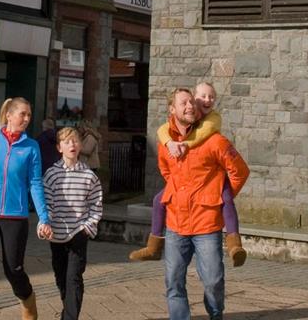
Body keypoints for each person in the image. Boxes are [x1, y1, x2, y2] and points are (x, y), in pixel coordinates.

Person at [129, 82, 246, 266]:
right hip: (180, 209)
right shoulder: (171, 134)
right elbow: (163, 143)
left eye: (212, 97)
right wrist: (170, 145)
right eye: (202, 97)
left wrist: (213, 193)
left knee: (226, 200)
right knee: (159, 200)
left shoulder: (213, 121)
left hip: (211, 189)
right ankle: (153, 246)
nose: (207, 100)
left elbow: (239, 170)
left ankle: (234, 245)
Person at [159, 88, 249, 320]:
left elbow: (240, 171)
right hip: (175, 223)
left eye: (192, 101)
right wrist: (176, 193)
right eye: (184, 103)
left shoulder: (215, 141)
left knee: (213, 281)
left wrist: (219, 194)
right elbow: (166, 170)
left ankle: (216, 314)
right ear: (172, 109)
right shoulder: (166, 144)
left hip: (206, 224)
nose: (190, 106)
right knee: (173, 281)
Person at [0, 97, 53, 320]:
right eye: (23, 114)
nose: (27, 118)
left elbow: (35, 183)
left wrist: (44, 217)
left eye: (29, 115)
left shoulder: (31, 147)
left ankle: (28, 301)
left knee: (13, 269)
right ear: (9, 115)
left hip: (15, 216)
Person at [43, 127, 103, 320]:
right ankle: (67, 310)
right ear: (59, 147)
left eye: (76, 141)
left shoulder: (89, 175)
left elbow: (96, 205)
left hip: (79, 233)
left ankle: (70, 317)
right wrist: (46, 223)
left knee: (74, 278)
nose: (72, 145)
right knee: (61, 278)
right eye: (67, 141)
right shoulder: (51, 174)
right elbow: (47, 204)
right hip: (57, 235)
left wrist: (87, 228)